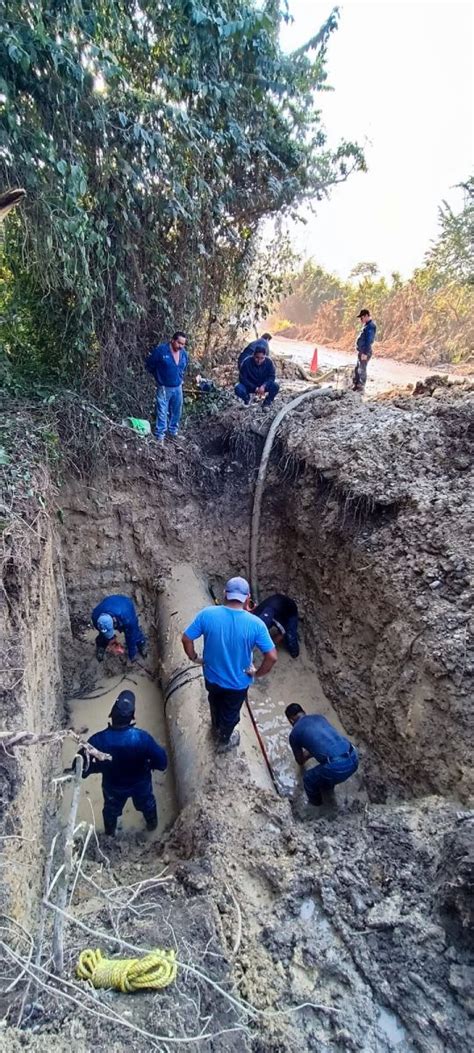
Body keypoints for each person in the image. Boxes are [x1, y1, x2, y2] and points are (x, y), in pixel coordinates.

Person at [182, 576, 277, 751]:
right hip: (237, 683)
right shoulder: (256, 625)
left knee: (214, 701)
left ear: (225, 593)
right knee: (231, 714)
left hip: (211, 677)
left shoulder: (207, 614)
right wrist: (257, 673)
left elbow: (186, 638)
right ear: (248, 597)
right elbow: (271, 656)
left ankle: (214, 726)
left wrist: (194, 657)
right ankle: (224, 741)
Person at [80, 690, 167, 836]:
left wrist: (98, 767)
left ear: (111, 714)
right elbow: (162, 763)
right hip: (141, 785)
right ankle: (152, 828)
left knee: (110, 811)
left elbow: (82, 768)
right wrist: (150, 765)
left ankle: (110, 836)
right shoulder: (142, 739)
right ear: (132, 717)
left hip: (113, 788)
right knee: (147, 806)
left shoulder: (97, 741)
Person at [286, 704, 358, 805]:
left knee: (308, 779)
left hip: (337, 768)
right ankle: (328, 791)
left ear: (291, 720)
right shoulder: (319, 717)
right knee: (326, 773)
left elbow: (300, 761)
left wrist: (310, 752)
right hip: (354, 757)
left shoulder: (294, 734)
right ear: (304, 712)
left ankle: (317, 807)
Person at [145, 330, 188, 445]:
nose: (181, 346)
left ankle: (173, 432)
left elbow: (183, 367)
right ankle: (160, 436)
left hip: (177, 386)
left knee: (176, 410)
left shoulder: (184, 354)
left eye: (183, 344)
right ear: (172, 340)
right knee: (162, 410)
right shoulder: (161, 351)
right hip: (164, 386)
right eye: (179, 343)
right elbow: (150, 365)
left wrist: (180, 378)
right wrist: (159, 378)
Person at [91, 594, 147, 662]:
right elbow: (103, 631)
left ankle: (141, 643)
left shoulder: (128, 619)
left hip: (125, 606)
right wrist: (111, 641)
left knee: (134, 633)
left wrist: (132, 654)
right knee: (103, 636)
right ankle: (101, 646)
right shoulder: (95, 616)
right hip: (110, 603)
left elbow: (131, 636)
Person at [252, 594, 300, 658]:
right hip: (277, 604)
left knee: (290, 636)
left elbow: (282, 633)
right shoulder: (256, 614)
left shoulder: (276, 619)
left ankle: (295, 652)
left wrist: (269, 647)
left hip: (290, 611)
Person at [353, 309, 376, 392]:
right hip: (361, 351)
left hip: (365, 351)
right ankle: (356, 385)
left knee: (362, 369)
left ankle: (361, 386)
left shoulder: (370, 326)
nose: (361, 320)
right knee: (357, 368)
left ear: (366, 316)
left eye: (361, 318)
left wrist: (365, 353)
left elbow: (369, 341)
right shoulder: (366, 325)